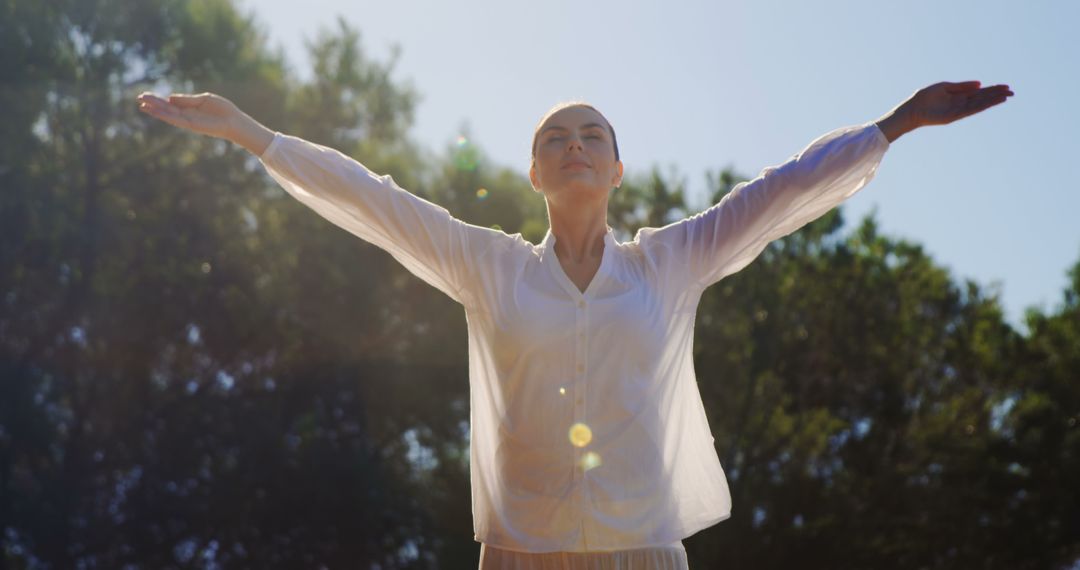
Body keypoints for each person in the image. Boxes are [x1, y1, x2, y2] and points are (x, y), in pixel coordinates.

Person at [137, 80, 1012, 569]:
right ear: (533, 173)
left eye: (593, 133)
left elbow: (779, 195)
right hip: (524, 549)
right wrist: (256, 136)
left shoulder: (668, 263)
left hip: (644, 545)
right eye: (556, 137)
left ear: (619, 167)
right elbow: (376, 203)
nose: (576, 144)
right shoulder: (491, 266)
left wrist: (894, 126)